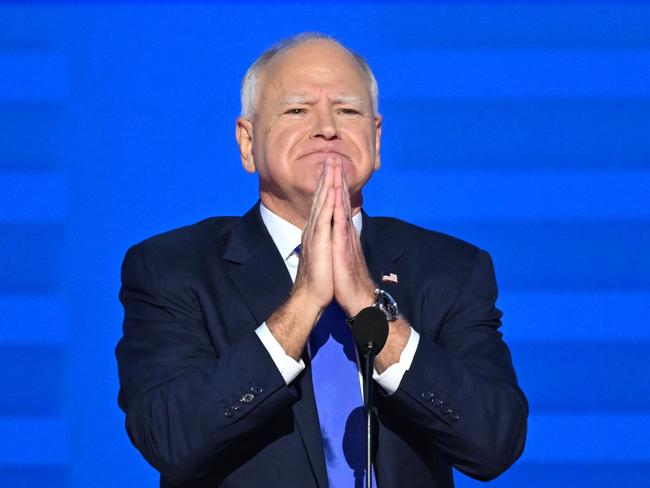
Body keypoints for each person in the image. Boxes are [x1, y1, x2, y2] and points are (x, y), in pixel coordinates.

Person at [116, 33, 528, 487]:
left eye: (347, 110)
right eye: (297, 110)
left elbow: (495, 443)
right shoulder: (174, 268)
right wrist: (304, 302)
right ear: (247, 143)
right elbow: (169, 437)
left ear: (375, 138)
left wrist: (371, 309)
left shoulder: (450, 269)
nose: (327, 128)